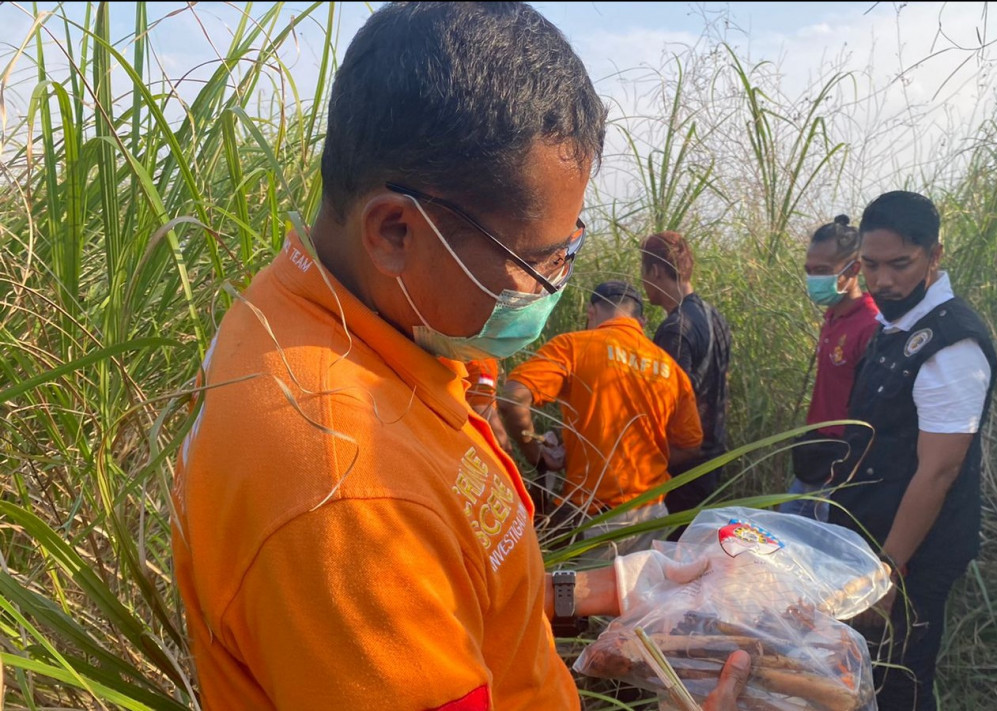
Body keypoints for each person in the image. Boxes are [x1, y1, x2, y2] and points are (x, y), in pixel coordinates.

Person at [170, 4, 748, 709]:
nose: (553, 287)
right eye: (538, 261)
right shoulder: (346, 488)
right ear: (394, 231)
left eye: (570, 250)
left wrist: (608, 588)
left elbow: (452, 578)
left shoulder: (346, 323)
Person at [829, 191, 997, 710]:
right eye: (871, 265)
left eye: (900, 264)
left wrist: (887, 570)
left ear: (934, 255)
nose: (883, 280)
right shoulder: (895, 326)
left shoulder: (952, 343)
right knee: (856, 674)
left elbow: (939, 471)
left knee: (898, 677)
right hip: (869, 537)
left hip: (909, 556)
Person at [501, 281, 704, 556]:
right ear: (641, 321)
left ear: (591, 312)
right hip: (652, 515)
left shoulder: (573, 346)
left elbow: (513, 399)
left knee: (576, 584)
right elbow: (690, 445)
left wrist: (537, 456)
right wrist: (645, 458)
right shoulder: (671, 369)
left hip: (597, 518)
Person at [781, 214, 879, 521]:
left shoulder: (870, 324)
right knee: (787, 523)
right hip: (817, 452)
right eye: (809, 271)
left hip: (841, 461)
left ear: (854, 269)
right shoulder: (833, 316)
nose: (814, 280)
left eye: (823, 271)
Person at [640, 230, 733, 523]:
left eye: (643, 272)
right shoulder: (714, 316)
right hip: (712, 455)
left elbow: (669, 405)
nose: (643, 282)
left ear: (655, 271)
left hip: (684, 464)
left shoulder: (676, 329)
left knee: (672, 544)